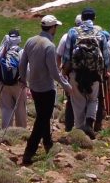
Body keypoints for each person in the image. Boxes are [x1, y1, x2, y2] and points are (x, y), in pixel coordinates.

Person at [19, 15, 72, 165]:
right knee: (42, 119)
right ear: (53, 27)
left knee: (43, 116)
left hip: (34, 87)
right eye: (56, 27)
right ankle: (29, 151)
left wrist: (23, 79)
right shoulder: (49, 45)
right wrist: (65, 85)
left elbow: (22, 64)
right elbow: (54, 72)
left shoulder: (30, 41)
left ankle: (48, 144)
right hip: (47, 89)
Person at [60, 8, 109, 138]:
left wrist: (64, 71)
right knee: (93, 100)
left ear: (81, 18)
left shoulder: (73, 32)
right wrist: (105, 71)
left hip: (77, 73)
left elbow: (67, 55)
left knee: (78, 101)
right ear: (94, 18)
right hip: (94, 73)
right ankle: (89, 123)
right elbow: (106, 55)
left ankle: (79, 129)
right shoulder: (101, 33)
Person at [0, 29, 27, 129]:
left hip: (4, 85)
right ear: (19, 39)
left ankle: (6, 131)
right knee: (20, 109)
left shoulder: (0, 52)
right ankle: (21, 132)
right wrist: (26, 82)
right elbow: (27, 69)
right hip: (19, 85)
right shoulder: (21, 51)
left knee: (6, 109)